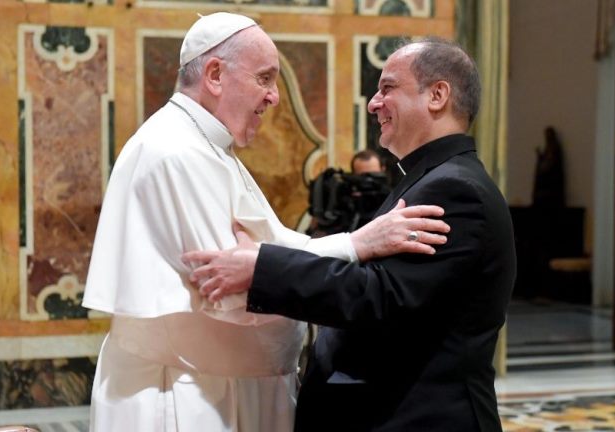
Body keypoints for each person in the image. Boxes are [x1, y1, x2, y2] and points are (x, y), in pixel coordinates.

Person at [81, 13, 450, 432]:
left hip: (219, 385)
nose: (275, 97)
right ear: (215, 74)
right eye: (265, 78)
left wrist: (353, 242)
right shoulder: (174, 152)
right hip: (183, 395)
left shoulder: (207, 147)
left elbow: (264, 254)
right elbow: (233, 287)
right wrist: (354, 245)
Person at [185, 36, 517, 431]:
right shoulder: (432, 179)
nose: (374, 103)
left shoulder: (455, 190)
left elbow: (380, 297)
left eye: (387, 88)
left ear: (437, 95)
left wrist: (262, 269)